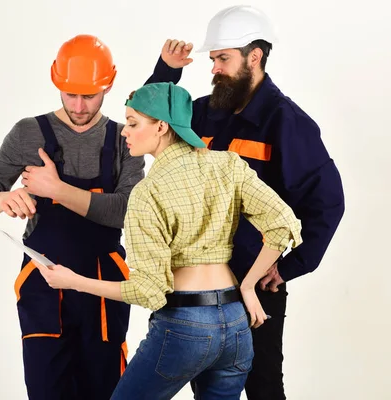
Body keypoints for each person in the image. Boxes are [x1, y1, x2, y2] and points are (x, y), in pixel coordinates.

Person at [34, 81, 303, 400]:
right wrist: (248, 285)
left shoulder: (148, 194)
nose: (124, 132)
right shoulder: (228, 165)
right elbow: (283, 223)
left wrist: (74, 281)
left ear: (161, 126)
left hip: (185, 326)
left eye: (133, 123)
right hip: (235, 323)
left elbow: (149, 291)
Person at [144, 5, 346, 400]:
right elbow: (149, 122)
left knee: (263, 385)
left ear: (255, 57)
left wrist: (288, 267)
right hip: (195, 284)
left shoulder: (287, 123)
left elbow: (327, 202)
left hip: (252, 286)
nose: (214, 68)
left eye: (223, 59)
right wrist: (167, 71)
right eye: (214, 59)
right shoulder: (202, 113)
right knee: (207, 388)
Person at [0, 35, 146, 400]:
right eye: (70, 94)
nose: (79, 106)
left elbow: (127, 211)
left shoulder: (124, 137)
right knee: (47, 389)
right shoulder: (28, 133)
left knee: (105, 387)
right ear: (56, 82)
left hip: (103, 284)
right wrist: (4, 198)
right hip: (44, 284)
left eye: (90, 96)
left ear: (108, 84)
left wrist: (58, 190)